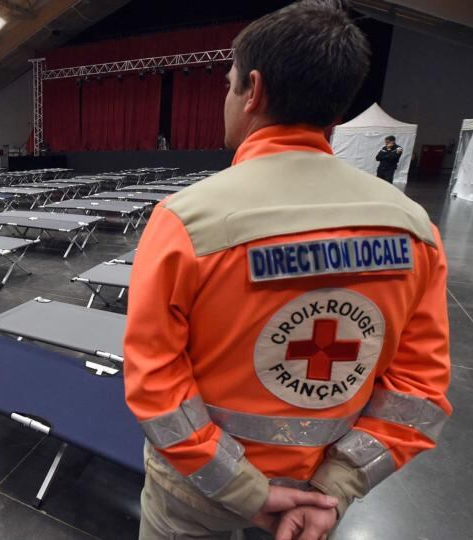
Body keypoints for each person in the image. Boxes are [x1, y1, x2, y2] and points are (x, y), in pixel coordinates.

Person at [124, 2, 451, 540]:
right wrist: (333, 487)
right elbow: (421, 389)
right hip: (318, 490)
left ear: (253, 90)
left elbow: (155, 383)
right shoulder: (414, 228)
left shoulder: (187, 220)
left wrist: (243, 490)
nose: (227, 99)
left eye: (229, 86)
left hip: (199, 491)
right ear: (337, 110)